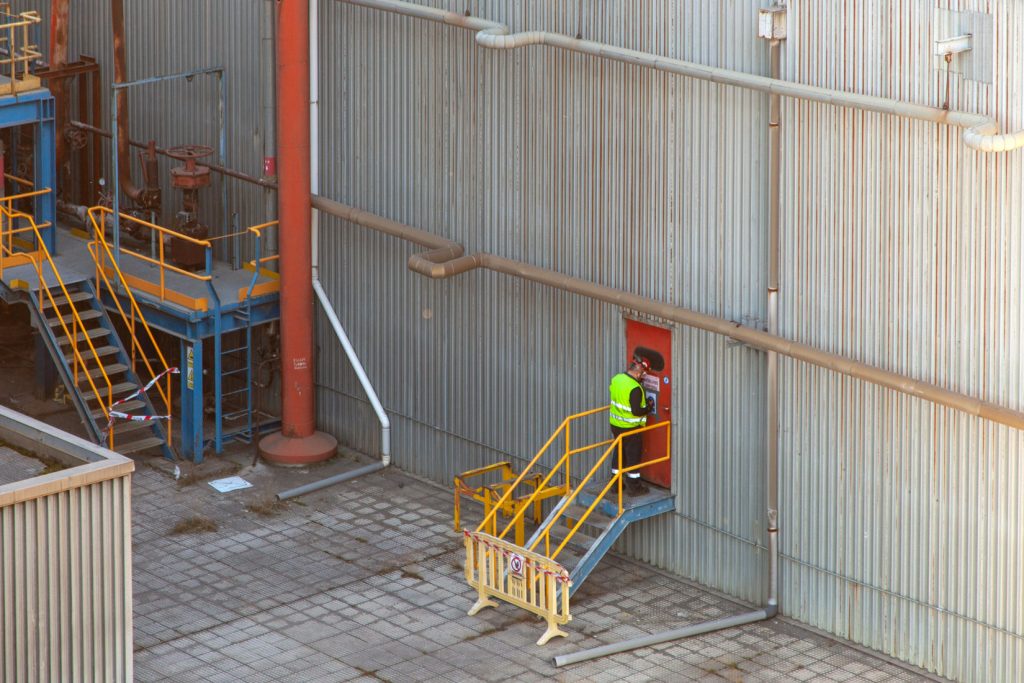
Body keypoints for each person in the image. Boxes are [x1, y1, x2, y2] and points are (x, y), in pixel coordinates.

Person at [608, 355, 656, 495]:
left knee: (619, 453)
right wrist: (648, 407)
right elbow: (636, 411)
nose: (644, 375)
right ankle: (634, 487)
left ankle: (615, 484)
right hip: (630, 428)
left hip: (616, 425)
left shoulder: (617, 379)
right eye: (644, 372)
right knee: (633, 456)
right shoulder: (635, 388)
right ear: (638, 370)